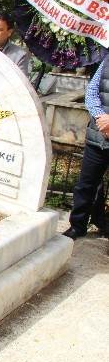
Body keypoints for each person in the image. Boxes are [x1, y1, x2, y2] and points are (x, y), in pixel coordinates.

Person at [63, 55, 109, 246]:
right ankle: (78, 225)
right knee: (85, 185)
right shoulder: (106, 60)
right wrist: (100, 117)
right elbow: (91, 93)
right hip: (98, 135)